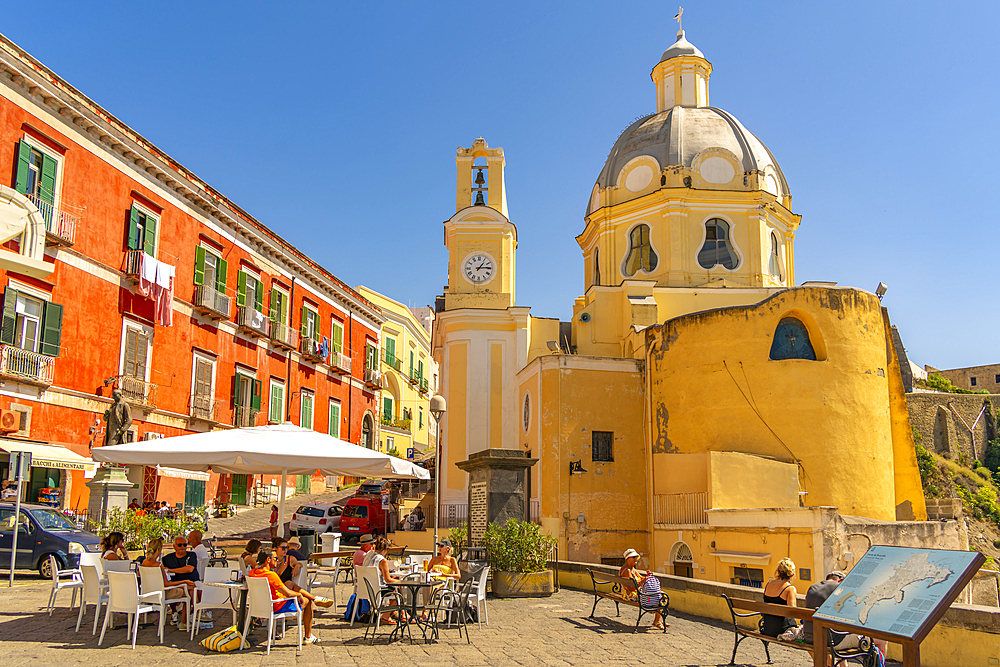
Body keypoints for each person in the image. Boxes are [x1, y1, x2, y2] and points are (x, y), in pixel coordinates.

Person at [803, 571, 887, 655]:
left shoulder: (813, 587)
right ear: (841, 580)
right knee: (882, 640)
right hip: (831, 641)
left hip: (810, 638)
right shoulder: (839, 588)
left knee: (839, 632)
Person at [248, 549, 320, 645]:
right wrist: (299, 594)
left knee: (292, 587)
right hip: (276, 606)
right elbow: (288, 594)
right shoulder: (271, 575)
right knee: (307, 602)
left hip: (259, 607)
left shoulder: (252, 573)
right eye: (275, 558)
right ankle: (308, 637)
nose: (277, 560)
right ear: (268, 560)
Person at [141, 538, 194, 628]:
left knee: (183, 588)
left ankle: (175, 614)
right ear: (159, 549)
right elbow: (166, 584)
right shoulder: (158, 565)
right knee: (189, 590)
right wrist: (184, 581)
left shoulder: (144, 562)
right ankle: (184, 621)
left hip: (149, 593)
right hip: (162, 593)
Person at [618, 548, 667, 629]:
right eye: (633, 557)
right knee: (659, 597)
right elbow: (631, 588)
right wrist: (643, 582)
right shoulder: (627, 571)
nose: (635, 559)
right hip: (630, 595)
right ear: (627, 559)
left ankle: (658, 620)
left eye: (636, 557)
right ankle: (657, 621)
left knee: (659, 595)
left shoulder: (632, 569)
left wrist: (647, 578)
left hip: (636, 592)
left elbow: (640, 578)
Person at [362, 536, 402, 624]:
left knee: (394, 585)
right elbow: (388, 580)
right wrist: (402, 582)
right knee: (399, 590)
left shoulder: (368, 554)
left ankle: (396, 612)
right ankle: (386, 615)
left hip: (365, 588)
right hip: (377, 590)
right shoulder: (382, 560)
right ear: (385, 549)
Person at [418, 539, 460, 620]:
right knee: (426, 586)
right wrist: (431, 574)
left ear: (447, 548)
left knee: (431, 586)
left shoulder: (452, 560)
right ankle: (430, 610)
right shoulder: (434, 559)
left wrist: (445, 574)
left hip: (444, 582)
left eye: (441, 546)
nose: (439, 547)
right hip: (433, 580)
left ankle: (426, 611)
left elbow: (458, 575)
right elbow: (426, 571)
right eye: (438, 546)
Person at [761, 557, 798, 639]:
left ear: (778, 572)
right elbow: (793, 611)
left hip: (767, 628)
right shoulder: (790, 589)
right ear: (792, 575)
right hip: (782, 629)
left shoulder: (769, 584)